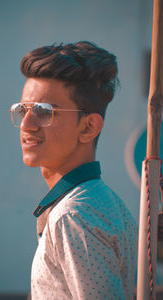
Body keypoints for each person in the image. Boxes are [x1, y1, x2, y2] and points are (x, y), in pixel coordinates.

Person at [10, 41, 138, 300]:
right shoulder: (101, 201)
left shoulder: (74, 216)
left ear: (89, 127)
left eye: (44, 112)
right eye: (22, 109)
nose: (26, 124)